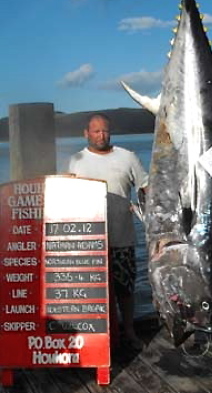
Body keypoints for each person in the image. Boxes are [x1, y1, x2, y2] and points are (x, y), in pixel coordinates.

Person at [68, 113, 148, 352]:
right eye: (96, 131)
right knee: (93, 294)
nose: (101, 135)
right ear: (86, 133)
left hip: (122, 237)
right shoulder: (77, 160)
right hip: (89, 243)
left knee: (125, 290)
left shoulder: (128, 157)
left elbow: (146, 188)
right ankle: (97, 340)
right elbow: (69, 196)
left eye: (105, 131)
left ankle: (129, 332)